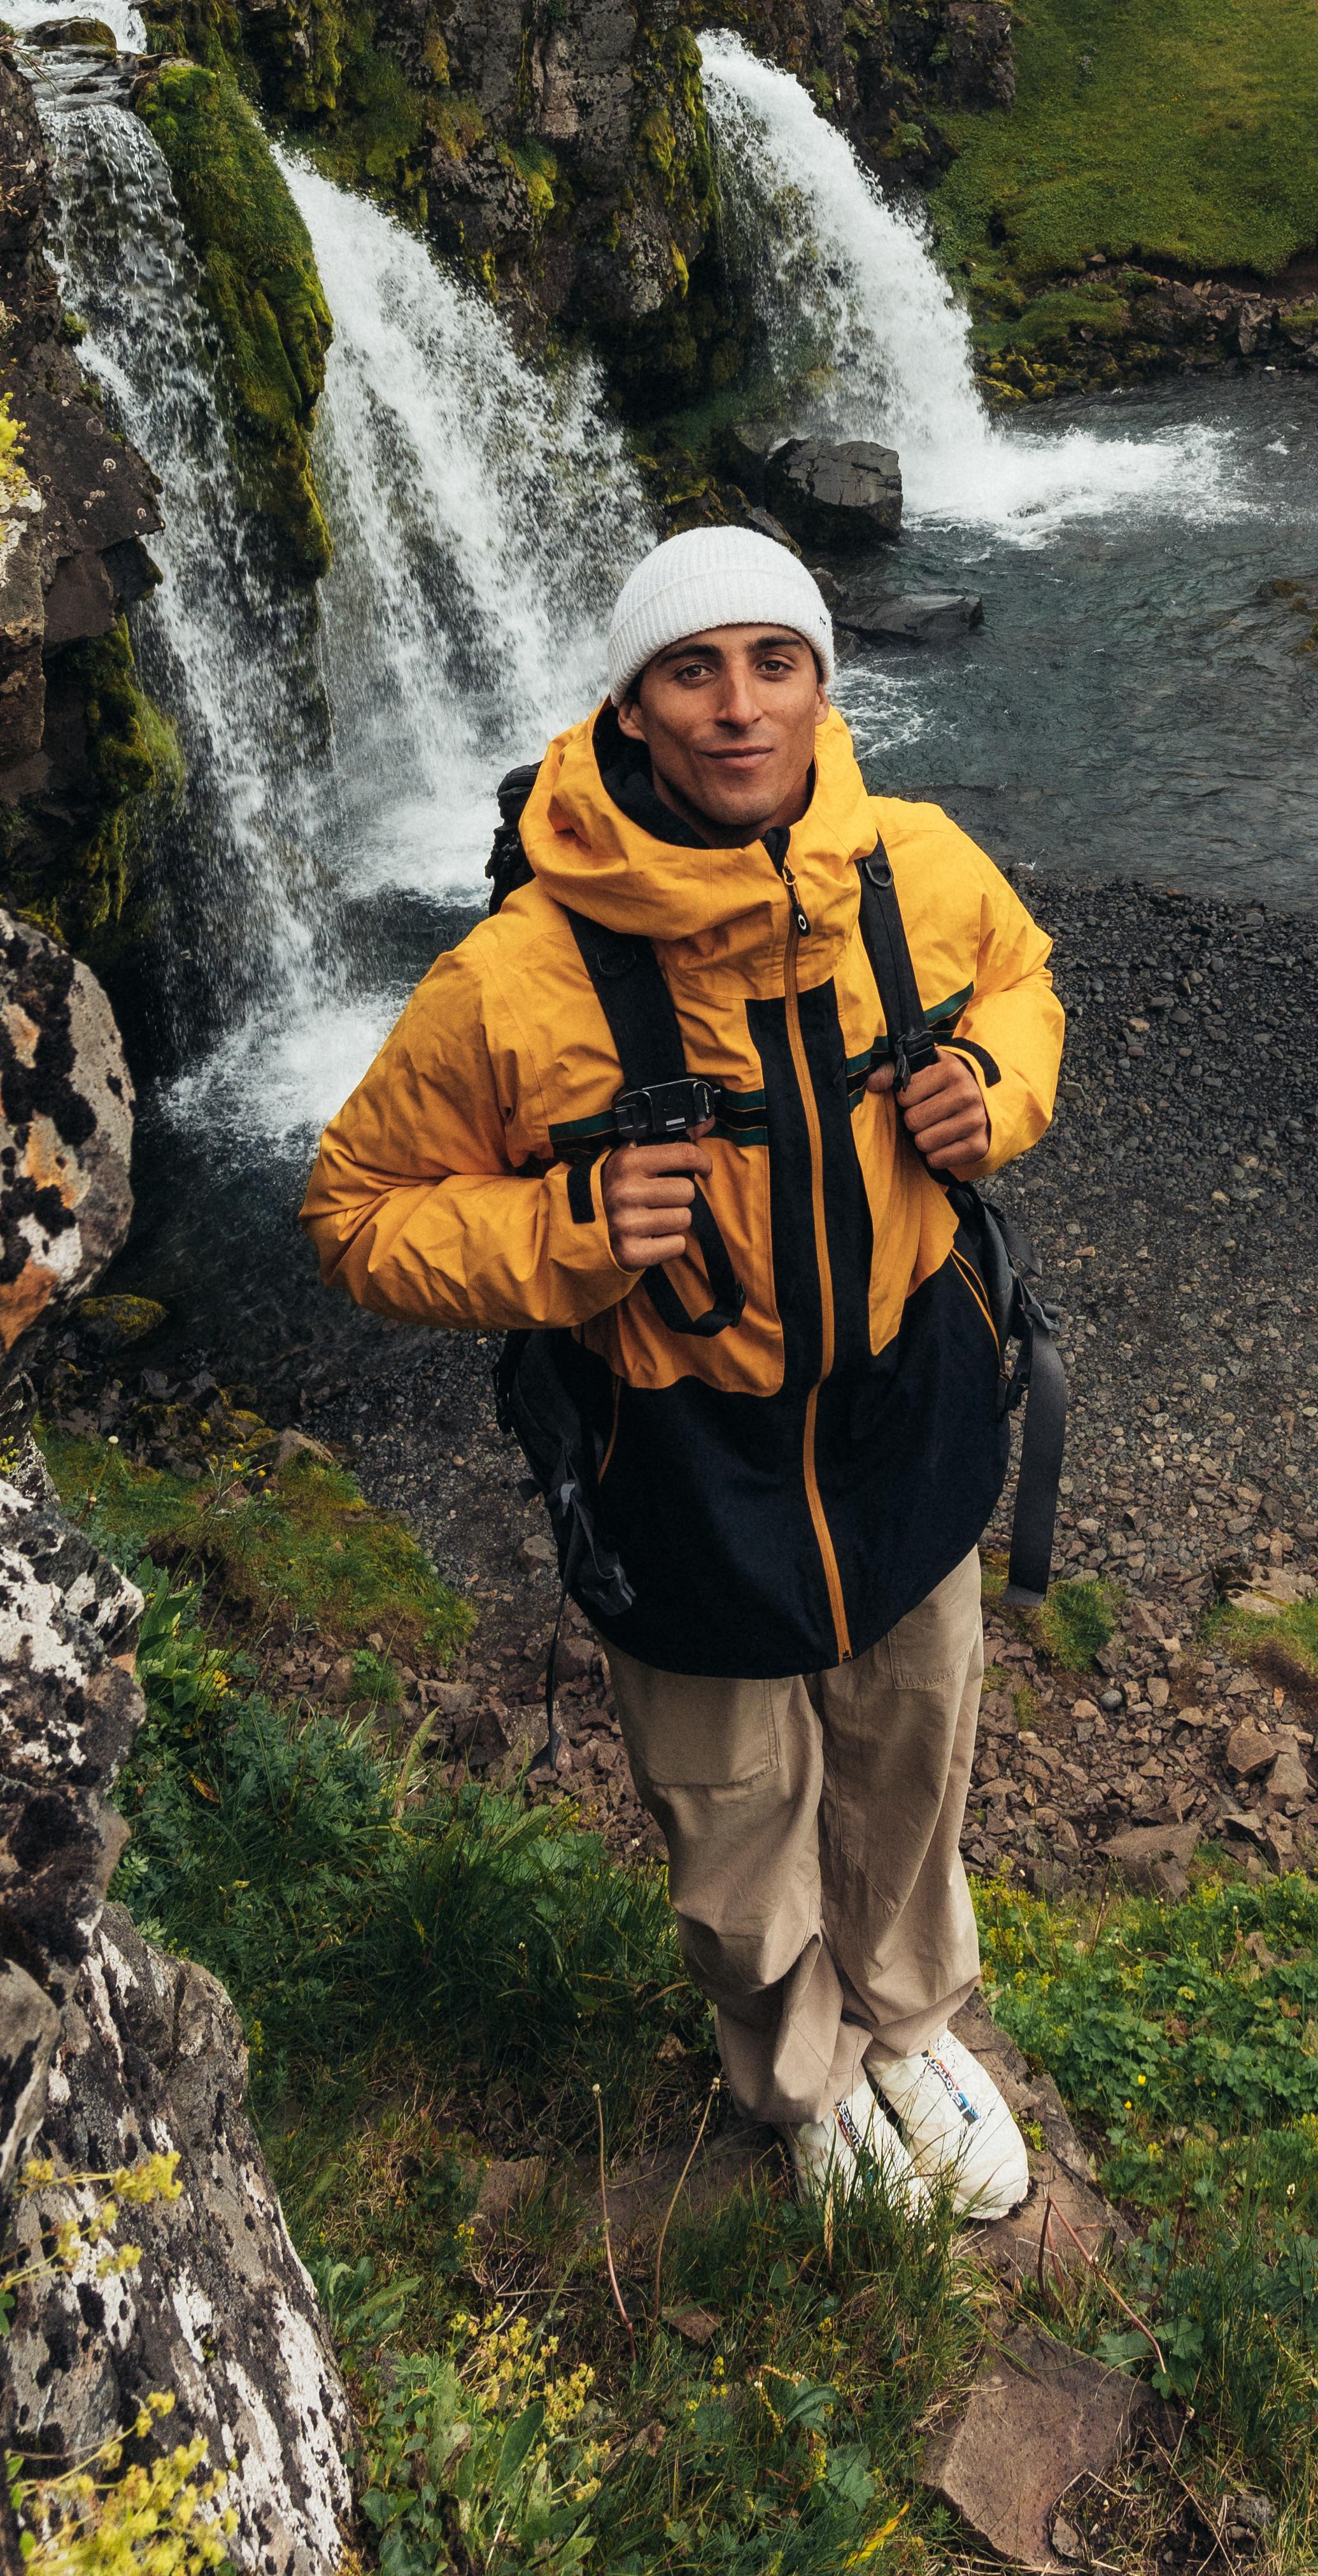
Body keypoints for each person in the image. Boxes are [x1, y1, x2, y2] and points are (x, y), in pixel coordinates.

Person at [298, 524, 1062, 2221]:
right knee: (732, 1805)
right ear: (631, 710)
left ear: (820, 685)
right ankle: (799, 2069)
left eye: (773, 663)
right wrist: (567, 1230)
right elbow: (356, 1213)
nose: (739, 708)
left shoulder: (917, 871)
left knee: (912, 1743)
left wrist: (992, 1093)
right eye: (693, 671)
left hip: (899, 1413)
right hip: (678, 1455)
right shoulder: (517, 977)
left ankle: (913, 2014)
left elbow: (1021, 982)